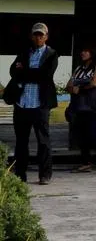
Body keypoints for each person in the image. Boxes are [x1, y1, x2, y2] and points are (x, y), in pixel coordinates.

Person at [5, 22, 60, 184]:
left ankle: (44, 175)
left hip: (40, 105)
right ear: (31, 36)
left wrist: (24, 72)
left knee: (43, 141)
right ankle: (20, 175)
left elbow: (46, 75)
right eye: (36, 34)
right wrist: (28, 73)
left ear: (46, 37)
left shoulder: (52, 54)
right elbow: (13, 71)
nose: (38, 37)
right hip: (22, 104)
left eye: (41, 34)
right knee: (21, 142)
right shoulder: (24, 52)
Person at [66, 43, 96, 175]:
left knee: (95, 134)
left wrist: (79, 88)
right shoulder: (79, 68)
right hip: (79, 107)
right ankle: (86, 163)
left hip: (93, 106)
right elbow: (69, 85)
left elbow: (95, 82)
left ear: (92, 53)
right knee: (81, 136)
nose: (82, 53)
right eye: (82, 51)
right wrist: (75, 88)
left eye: (86, 51)